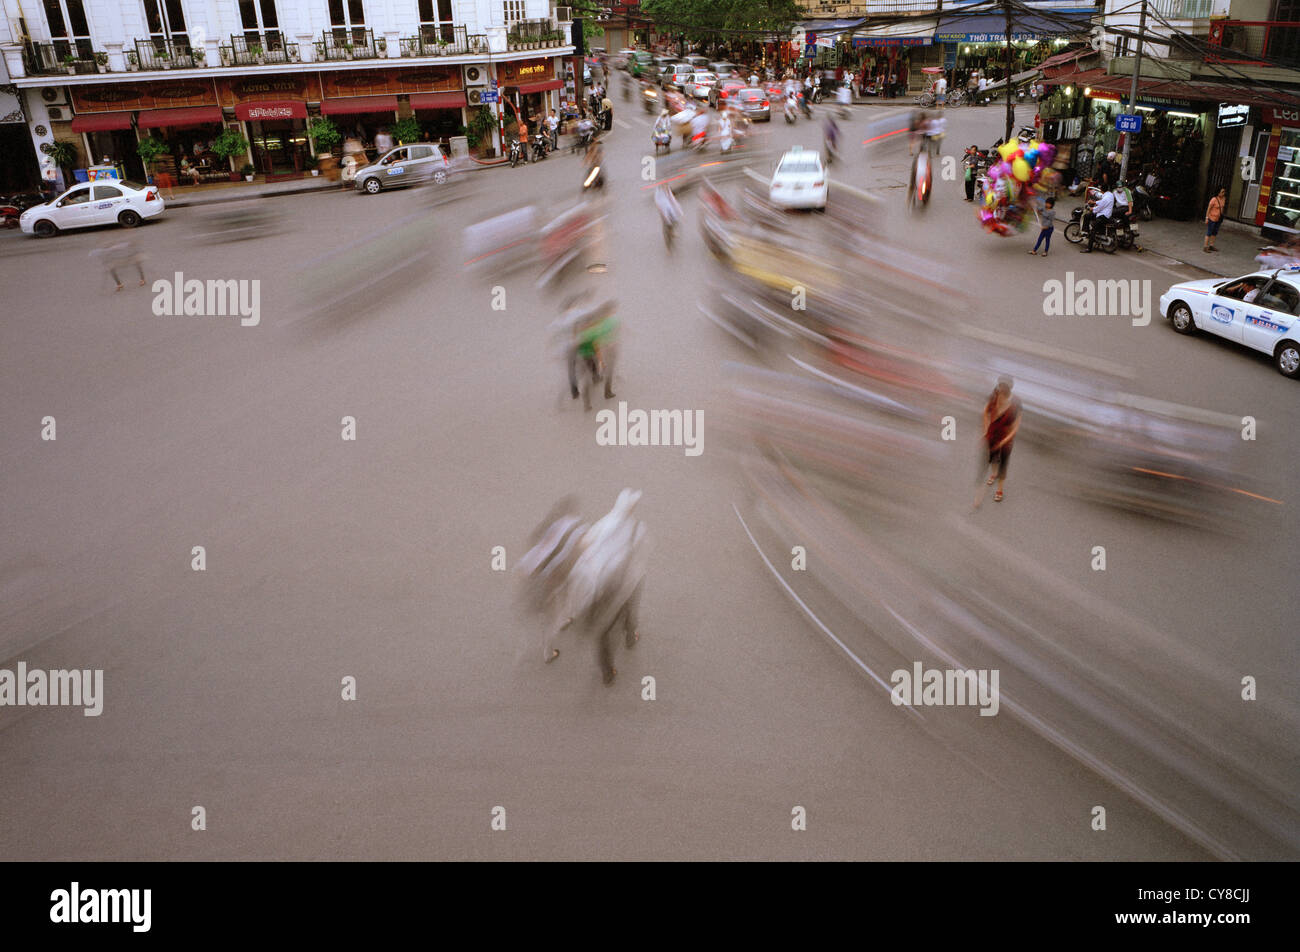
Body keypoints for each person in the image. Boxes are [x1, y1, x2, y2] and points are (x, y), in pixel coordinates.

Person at [977, 377, 1020, 505]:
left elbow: (1015, 427)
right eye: (1000, 388)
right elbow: (985, 412)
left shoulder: (1015, 404)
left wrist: (1005, 440)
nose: (1000, 393)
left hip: (1005, 440)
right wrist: (985, 430)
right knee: (993, 458)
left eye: (1003, 390)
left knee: (1003, 464)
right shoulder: (993, 397)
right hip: (992, 435)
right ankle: (993, 474)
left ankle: (999, 490)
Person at [1080, 186, 1116, 253]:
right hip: (1106, 214)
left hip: (1103, 216)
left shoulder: (1106, 198)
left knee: (1093, 230)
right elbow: (1102, 202)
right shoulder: (1110, 195)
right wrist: (1094, 202)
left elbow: (1100, 207)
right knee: (1087, 216)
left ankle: (1089, 248)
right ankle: (1086, 231)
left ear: (1101, 191)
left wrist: (1092, 209)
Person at [1204, 187, 1226, 253]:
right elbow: (1209, 209)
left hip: (1218, 218)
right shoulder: (1214, 199)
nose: (1223, 193)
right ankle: (1205, 246)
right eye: (1222, 192)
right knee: (1209, 232)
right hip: (1212, 218)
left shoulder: (1223, 199)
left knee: (1215, 232)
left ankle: (1211, 245)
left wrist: (1221, 215)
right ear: (1218, 193)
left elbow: (1222, 208)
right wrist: (1207, 218)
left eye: (1224, 192)